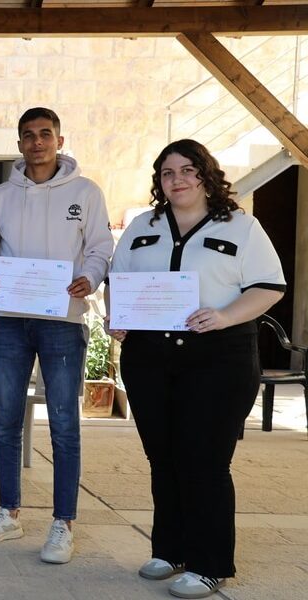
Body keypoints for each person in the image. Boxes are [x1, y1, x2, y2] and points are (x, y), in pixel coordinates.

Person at [107, 139, 284, 599]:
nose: (178, 179)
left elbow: (269, 287)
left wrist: (225, 315)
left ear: (206, 175)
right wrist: (116, 317)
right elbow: (118, 282)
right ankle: (171, 551)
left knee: (204, 461)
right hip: (149, 358)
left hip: (218, 358)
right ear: (159, 181)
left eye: (188, 170)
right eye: (168, 173)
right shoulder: (142, 226)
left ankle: (210, 563)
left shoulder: (242, 226)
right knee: (162, 457)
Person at [0, 107, 114, 564]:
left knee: (64, 424)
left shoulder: (86, 192)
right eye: (29, 135)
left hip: (63, 320)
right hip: (11, 320)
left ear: (59, 140)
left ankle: (63, 523)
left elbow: (100, 247)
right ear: (18, 143)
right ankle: (8, 513)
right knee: (6, 422)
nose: (37, 142)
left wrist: (90, 277)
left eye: (45, 134)